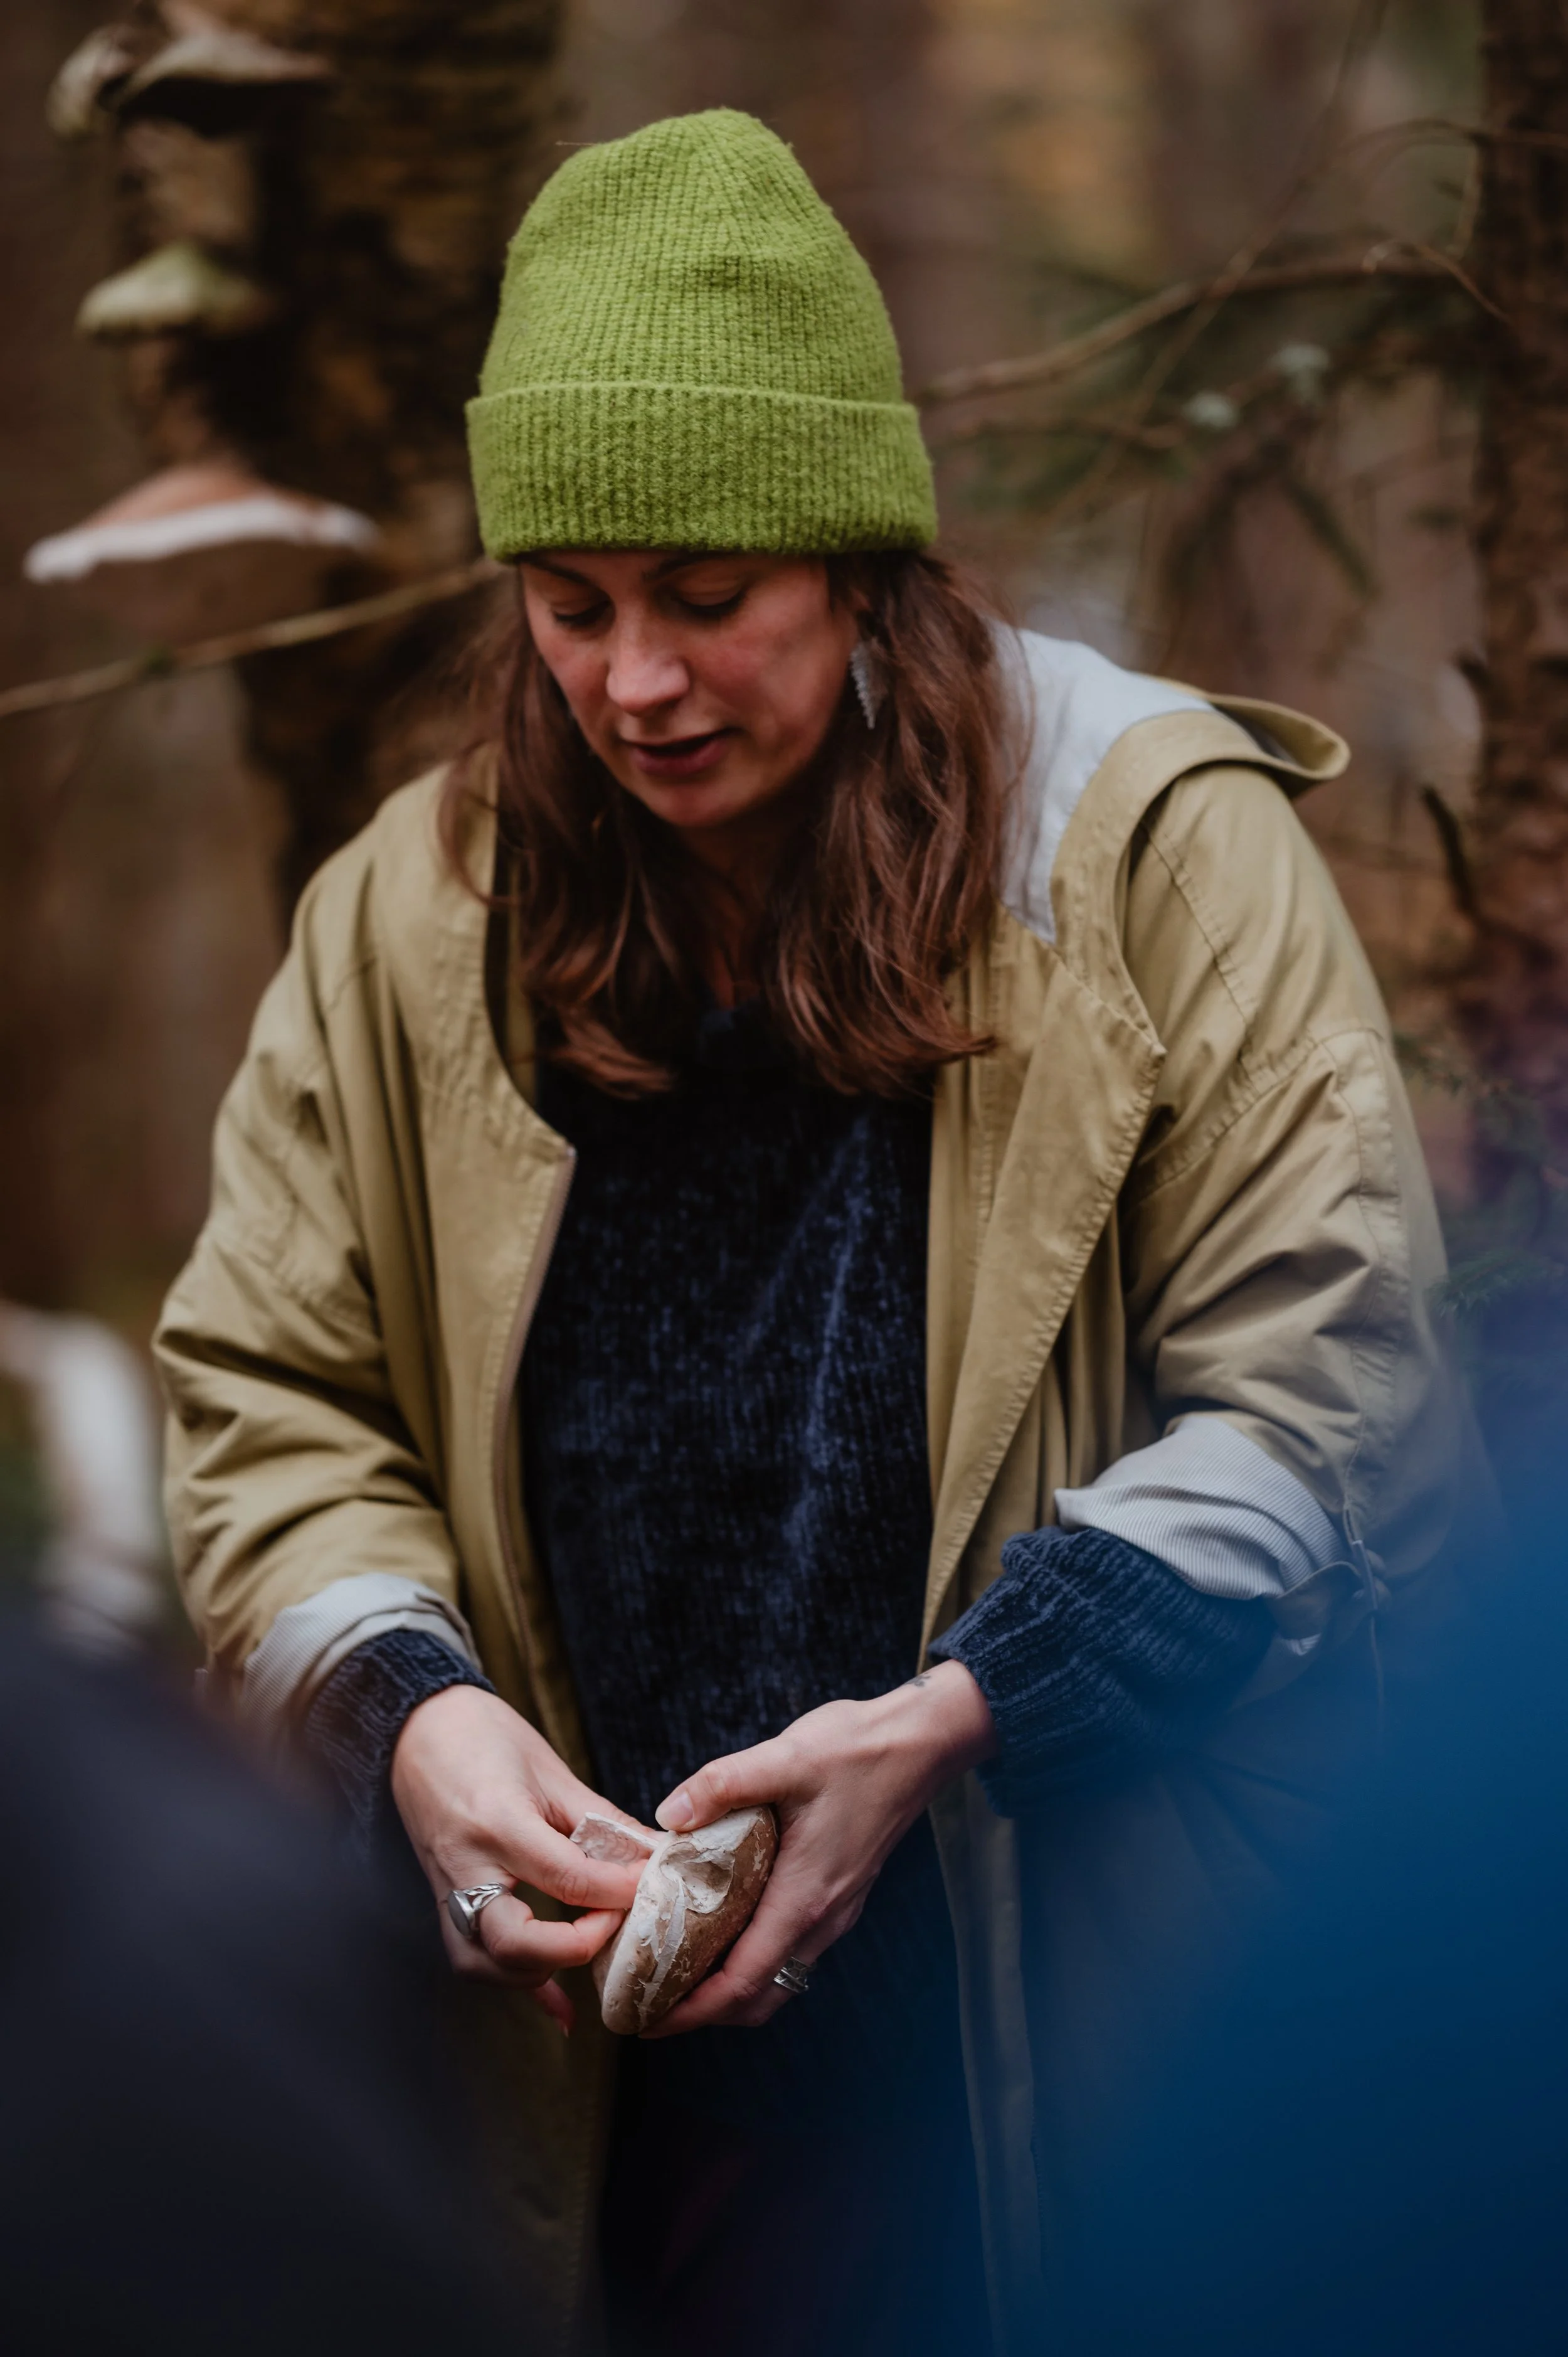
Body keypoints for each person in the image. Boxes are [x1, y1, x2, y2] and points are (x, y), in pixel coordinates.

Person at [155, 110, 1470, 2357]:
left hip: (1067, 2044)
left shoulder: (1147, 848)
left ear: (859, 558)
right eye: (570, 606)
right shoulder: (414, 910)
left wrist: (965, 1711)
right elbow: (276, 1394)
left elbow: (1331, 1395)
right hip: (608, 2109)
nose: (633, 684)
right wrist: (406, 1712)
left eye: (705, 597)